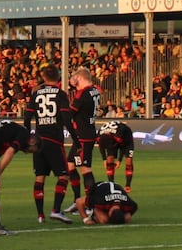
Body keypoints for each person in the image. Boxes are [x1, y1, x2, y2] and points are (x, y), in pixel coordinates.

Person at [24, 64, 82, 224]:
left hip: (39, 140)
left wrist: (27, 138)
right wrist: (76, 141)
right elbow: (66, 119)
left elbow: (27, 118)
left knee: (40, 177)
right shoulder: (61, 94)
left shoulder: (35, 94)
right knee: (63, 175)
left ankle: (40, 215)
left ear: (43, 77)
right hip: (54, 140)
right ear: (58, 77)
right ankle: (56, 210)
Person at [64, 67, 100, 214]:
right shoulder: (94, 90)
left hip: (84, 136)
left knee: (85, 169)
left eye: (76, 78)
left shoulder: (82, 94)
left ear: (81, 78)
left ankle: (89, 204)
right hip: (85, 134)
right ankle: (77, 200)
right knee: (70, 166)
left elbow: (70, 113)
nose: (74, 81)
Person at [97, 121, 134, 193]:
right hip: (112, 139)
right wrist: (104, 159)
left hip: (127, 138)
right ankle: (111, 184)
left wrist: (119, 160)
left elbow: (123, 146)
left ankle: (127, 185)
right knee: (109, 160)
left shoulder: (119, 136)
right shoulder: (100, 137)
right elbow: (101, 146)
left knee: (128, 160)